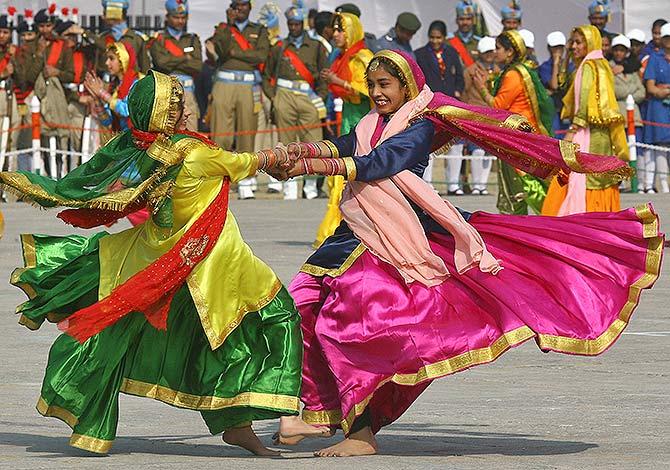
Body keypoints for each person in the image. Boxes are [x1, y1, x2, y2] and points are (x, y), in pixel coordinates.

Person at [272, 49, 659, 457]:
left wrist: (306, 168)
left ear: (407, 85)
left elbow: (379, 163)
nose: (376, 93)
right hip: (352, 233)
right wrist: (297, 152)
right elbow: (343, 145)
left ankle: (361, 432)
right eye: (372, 86)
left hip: (403, 239)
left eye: (384, 85)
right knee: (298, 310)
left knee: (354, 330)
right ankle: (315, 413)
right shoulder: (371, 122)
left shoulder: (419, 126)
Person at [0, 70, 330, 456]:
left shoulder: (146, 149)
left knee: (215, 345)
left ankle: (238, 425)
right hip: (216, 264)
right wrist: (290, 154)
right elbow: (248, 160)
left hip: (161, 260)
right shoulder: (195, 154)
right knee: (281, 317)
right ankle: (288, 417)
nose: (186, 109)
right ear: (168, 116)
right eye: (178, 105)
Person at [542, 25, 628, 215]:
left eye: (578, 42)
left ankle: (578, 220)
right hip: (600, 133)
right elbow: (564, 85)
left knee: (579, 176)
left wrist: (573, 130)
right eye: (572, 42)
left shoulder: (589, 66)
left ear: (590, 43)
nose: (573, 46)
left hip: (587, 133)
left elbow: (585, 99)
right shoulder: (600, 63)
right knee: (595, 177)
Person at [476, 30, 555, 215]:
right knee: (517, 187)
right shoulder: (515, 71)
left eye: (499, 48)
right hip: (515, 136)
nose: (495, 52)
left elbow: (498, 105)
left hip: (517, 138)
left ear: (510, 52)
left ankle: (555, 217)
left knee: (526, 184)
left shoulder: (513, 74)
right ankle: (517, 227)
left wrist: (481, 88)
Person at [314, 11, 373, 247]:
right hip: (348, 119)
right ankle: (339, 228)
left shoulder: (363, 58)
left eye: (340, 30)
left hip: (365, 121)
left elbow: (371, 90)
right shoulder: (341, 57)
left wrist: (339, 82)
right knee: (342, 175)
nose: (336, 34)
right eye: (335, 30)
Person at [262, 4, 328, 200]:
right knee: (286, 142)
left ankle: (310, 187)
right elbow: (266, 75)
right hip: (284, 95)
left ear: (303, 24)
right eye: (290, 24)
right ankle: (289, 186)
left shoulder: (316, 46)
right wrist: (274, 98)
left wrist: (322, 96)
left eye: (297, 24)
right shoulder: (279, 47)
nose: (293, 28)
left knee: (313, 142)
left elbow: (324, 75)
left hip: (309, 97)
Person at [206, 0, 268, 200]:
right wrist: (228, 24)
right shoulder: (222, 29)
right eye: (236, 5)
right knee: (221, 133)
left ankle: (246, 181)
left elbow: (261, 55)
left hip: (248, 85)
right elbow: (222, 52)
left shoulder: (259, 30)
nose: (239, 9)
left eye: (243, 5)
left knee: (246, 133)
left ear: (250, 7)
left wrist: (237, 54)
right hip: (224, 83)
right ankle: (218, 178)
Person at [416, 20, 465, 191]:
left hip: (450, 104)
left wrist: (458, 91)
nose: (435, 41)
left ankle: (453, 184)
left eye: (439, 37)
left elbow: (459, 74)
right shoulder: (420, 54)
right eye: (432, 37)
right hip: (430, 104)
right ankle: (427, 184)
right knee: (429, 142)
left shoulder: (451, 52)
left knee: (454, 144)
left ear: (444, 37)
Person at [150, 0, 203, 132]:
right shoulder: (159, 39)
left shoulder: (192, 39)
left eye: (183, 17)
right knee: (166, 134)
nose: (180, 21)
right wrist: (186, 58)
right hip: (167, 92)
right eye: (176, 17)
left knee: (191, 134)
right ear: (168, 17)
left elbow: (197, 65)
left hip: (188, 92)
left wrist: (172, 60)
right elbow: (161, 62)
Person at [462, 36, 499, 194]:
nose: (490, 55)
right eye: (487, 52)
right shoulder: (471, 71)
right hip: (475, 113)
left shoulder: (498, 70)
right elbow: (465, 91)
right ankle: (476, 184)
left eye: (492, 51)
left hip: (492, 114)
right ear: (481, 53)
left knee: (488, 151)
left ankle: (483, 184)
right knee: (476, 149)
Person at [610, 34, 646, 192]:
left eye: (622, 50)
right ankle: (621, 181)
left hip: (634, 117)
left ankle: (637, 181)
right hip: (618, 115)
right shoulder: (608, 68)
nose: (619, 53)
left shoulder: (631, 69)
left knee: (635, 149)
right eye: (616, 50)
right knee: (619, 151)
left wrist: (628, 94)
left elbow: (642, 91)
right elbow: (613, 90)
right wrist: (630, 92)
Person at [77, 0, 151, 75]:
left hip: (130, 83)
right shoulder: (104, 37)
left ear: (115, 13)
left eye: (105, 13)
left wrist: (84, 32)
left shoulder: (137, 39)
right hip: (106, 84)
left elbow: (145, 67)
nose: (102, 17)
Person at [12, 10, 41, 172]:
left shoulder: (40, 53)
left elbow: (30, 77)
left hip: (35, 97)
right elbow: (21, 80)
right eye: (24, 35)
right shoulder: (16, 53)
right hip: (20, 98)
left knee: (37, 141)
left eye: (31, 35)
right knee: (21, 141)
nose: (27, 39)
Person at [642, 23, 670, 194]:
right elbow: (650, 87)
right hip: (658, 106)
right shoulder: (654, 57)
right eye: (666, 38)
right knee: (661, 144)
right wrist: (664, 91)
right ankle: (663, 184)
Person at [538, 31, 574, 133]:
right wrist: (556, 64)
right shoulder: (545, 67)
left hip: (566, 110)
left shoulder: (570, 66)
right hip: (553, 111)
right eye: (555, 48)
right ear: (549, 48)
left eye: (560, 48)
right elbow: (554, 85)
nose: (558, 51)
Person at [448, 1, 481, 68]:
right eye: (461, 19)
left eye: (468, 19)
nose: (465, 22)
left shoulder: (480, 42)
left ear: (473, 21)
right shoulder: (448, 42)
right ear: (456, 20)